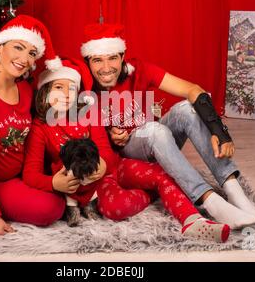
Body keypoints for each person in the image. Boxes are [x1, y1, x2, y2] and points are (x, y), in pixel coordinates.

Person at [23, 58, 230, 242]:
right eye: (58, 87)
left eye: (71, 89)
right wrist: (53, 182)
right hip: (90, 188)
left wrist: (102, 165)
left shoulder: (88, 114)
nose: (65, 94)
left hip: (114, 169)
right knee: (114, 208)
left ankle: (192, 220)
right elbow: (30, 174)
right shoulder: (40, 129)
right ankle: (151, 194)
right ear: (45, 91)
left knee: (158, 174)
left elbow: (106, 152)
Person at [80, 22, 255, 229]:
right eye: (97, 60)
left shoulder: (139, 70)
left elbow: (192, 90)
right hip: (124, 160)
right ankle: (210, 201)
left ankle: (233, 190)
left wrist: (219, 132)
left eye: (112, 57)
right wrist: (110, 136)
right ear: (88, 61)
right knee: (155, 130)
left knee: (186, 108)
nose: (106, 68)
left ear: (122, 57)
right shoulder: (82, 86)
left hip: (159, 143)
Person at [0, 15, 65, 236]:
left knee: (70, 185)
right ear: (0, 46)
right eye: (18, 47)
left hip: (21, 175)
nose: (25, 58)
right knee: (52, 208)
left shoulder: (24, 89)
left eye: (32, 53)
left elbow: (38, 134)